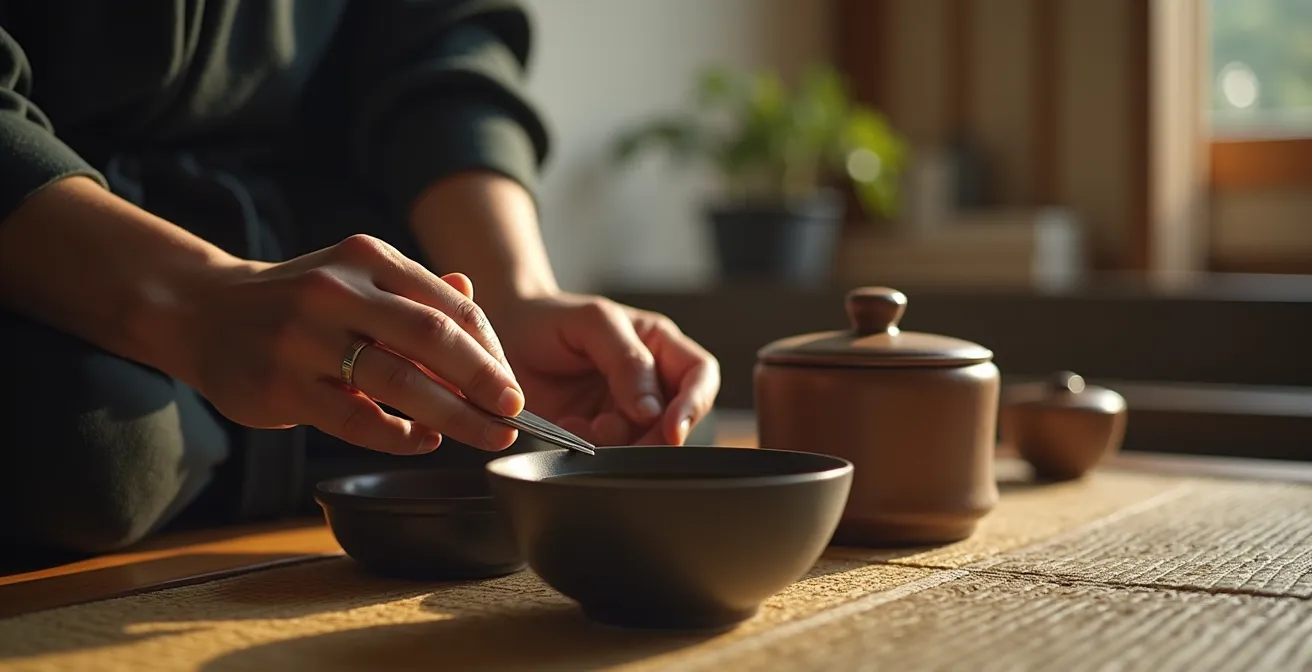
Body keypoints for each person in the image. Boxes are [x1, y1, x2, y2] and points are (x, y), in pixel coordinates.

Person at [0, 0, 720, 558]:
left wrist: (513, 293)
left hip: (323, 239)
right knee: (99, 443)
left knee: (475, 443)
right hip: (59, 243)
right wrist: (196, 300)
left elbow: (441, 43)